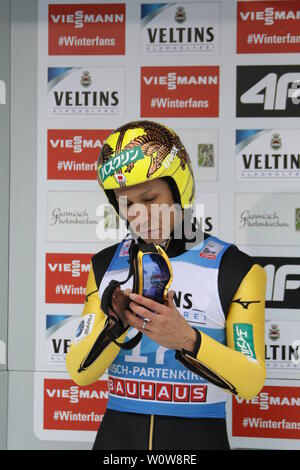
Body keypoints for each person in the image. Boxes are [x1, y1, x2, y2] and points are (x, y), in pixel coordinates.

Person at [66, 120, 267, 450]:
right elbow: (80, 372)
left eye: (149, 198)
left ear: (179, 189)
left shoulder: (237, 269)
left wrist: (187, 339)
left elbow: (249, 381)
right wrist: (113, 326)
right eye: (127, 204)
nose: (140, 215)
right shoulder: (105, 266)